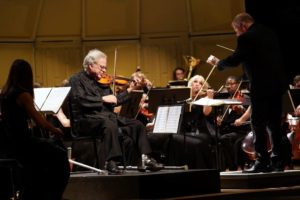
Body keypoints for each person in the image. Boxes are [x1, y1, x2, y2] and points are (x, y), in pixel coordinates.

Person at [207, 12, 289, 173]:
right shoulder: (269, 32)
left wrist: (219, 63)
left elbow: (236, 59)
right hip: (277, 85)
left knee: (257, 124)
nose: (237, 34)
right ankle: (278, 161)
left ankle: (262, 161)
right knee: (274, 124)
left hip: (261, 86)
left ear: (242, 26)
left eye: (236, 30)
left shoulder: (246, 38)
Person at [68, 49, 163, 174]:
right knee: (109, 124)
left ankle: (144, 158)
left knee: (136, 125)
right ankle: (110, 161)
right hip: (86, 120)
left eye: (105, 68)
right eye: (102, 67)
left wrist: (129, 90)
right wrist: (102, 99)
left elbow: (114, 100)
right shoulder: (76, 79)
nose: (104, 71)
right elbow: (80, 100)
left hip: (106, 117)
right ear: (91, 65)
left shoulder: (103, 82)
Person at [0, 59, 70, 200]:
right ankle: (54, 195)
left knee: (44, 159)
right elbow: (40, 121)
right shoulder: (23, 95)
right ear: (27, 75)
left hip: (10, 143)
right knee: (61, 155)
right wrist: (55, 130)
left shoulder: (4, 94)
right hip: (24, 143)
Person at [216, 76, 251, 171]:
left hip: (242, 130)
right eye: (227, 84)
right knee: (221, 137)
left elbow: (250, 114)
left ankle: (234, 166)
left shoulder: (244, 98)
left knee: (225, 138)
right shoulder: (226, 99)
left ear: (238, 84)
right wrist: (219, 119)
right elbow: (223, 116)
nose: (229, 86)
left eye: (232, 84)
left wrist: (241, 110)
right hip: (229, 130)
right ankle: (230, 165)